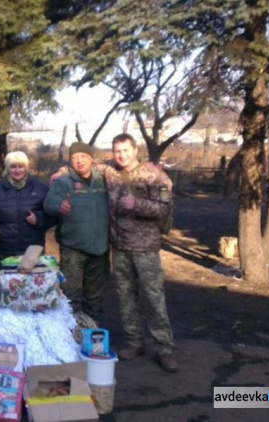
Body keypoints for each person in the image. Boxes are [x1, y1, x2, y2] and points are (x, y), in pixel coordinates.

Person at [106, 133, 178, 373]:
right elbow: (84, 165)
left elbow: (164, 209)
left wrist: (137, 205)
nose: (121, 155)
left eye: (125, 150)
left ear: (135, 150)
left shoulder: (154, 175)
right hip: (121, 248)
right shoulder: (112, 173)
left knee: (154, 298)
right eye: (117, 151)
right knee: (126, 298)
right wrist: (61, 172)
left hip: (145, 248)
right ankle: (134, 342)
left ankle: (164, 348)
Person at [43, 142, 109, 319]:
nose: (79, 161)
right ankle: (71, 337)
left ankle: (93, 337)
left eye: (83, 157)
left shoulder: (104, 180)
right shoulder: (64, 182)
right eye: (74, 158)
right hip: (73, 249)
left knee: (95, 299)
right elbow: (48, 204)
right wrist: (59, 206)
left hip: (100, 249)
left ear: (91, 158)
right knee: (70, 297)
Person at [0, 151, 53, 266]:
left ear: (26, 168)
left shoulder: (40, 188)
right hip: (4, 251)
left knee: (31, 284)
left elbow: (53, 215)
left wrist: (38, 219)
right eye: (13, 166)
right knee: (6, 283)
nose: (17, 170)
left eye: (21, 166)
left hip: (33, 251)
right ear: (7, 169)